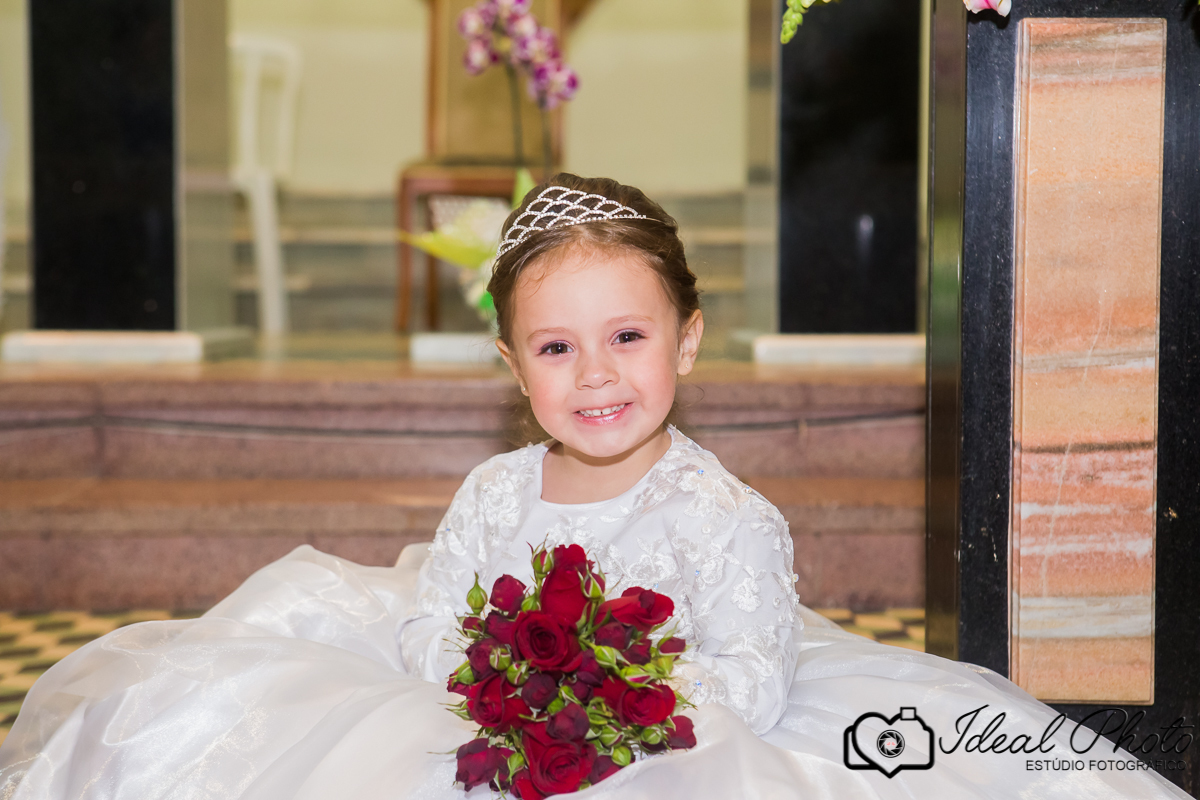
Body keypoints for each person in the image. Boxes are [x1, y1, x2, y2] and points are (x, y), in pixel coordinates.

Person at [0, 175, 1188, 799]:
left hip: (670, 746)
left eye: (628, 335)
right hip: (491, 731)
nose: (597, 373)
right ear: (513, 368)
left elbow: (749, 675)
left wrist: (609, 708)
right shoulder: (492, 493)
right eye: (557, 347)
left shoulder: (725, 516)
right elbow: (434, 619)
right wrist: (503, 692)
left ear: (689, 340)